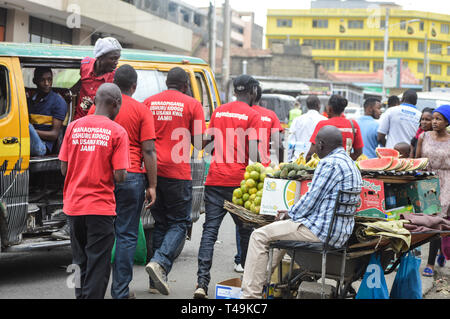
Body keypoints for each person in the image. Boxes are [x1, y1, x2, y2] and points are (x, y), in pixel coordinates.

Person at [241, 125, 362, 299]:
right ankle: (260, 285)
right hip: (338, 232)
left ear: (320, 144)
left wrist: (288, 214)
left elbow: (311, 200)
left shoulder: (329, 163)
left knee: (259, 236)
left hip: (320, 232)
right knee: (277, 234)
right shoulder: (349, 163)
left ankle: (250, 297)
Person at [88, 65, 157, 299]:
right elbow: (149, 150)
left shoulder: (96, 108)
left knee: (102, 235)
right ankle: (120, 292)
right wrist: (152, 185)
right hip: (132, 177)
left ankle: (93, 290)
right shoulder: (141, 110)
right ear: (134, 86)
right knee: (127, 235)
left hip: (103, 177)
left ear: (114, 82)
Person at [193, 74, 263, 299]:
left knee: (209, 232)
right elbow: (253, 153)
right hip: (238, 182)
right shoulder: (253, 114)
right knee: (245, 232)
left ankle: (201, 284)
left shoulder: (219, 111)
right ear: (252, 91)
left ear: (235, 90)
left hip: (214, 179)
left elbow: (208, 145)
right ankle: (246, 285)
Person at [58, 83, 129, 299]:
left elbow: (63, 168)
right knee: (98, 264)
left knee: (79, 261)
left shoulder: (73, 126)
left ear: (96, 101)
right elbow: (120, 176)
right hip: (100, 208)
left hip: (74, 207)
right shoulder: (117, 131)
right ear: (115, 104)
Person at [143, 67, 206, 296]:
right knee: (180, 223)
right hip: (177, 173)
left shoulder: (149, 102)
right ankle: (160, 262)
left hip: (152, 172)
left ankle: (155, 281)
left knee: (160, 223)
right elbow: (199, 143)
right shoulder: (192, 104)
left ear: (167, 83)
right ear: (185, 85)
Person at [416, 104, 450, 277]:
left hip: (447, 183)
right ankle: (438, 253)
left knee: (437, 222)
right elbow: (416, 160)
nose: (434, 122)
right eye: (433, 118)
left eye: (439, 119)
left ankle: (430, 263)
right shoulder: (424, 137)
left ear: (447, 122)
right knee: (426, 223)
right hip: (427, 182)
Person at [72, 37, 122, 120]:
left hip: (98, 125)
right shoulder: (85, 65)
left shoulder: (115, 78)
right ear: (99, 57)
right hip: (78, 120)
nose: (116, 62)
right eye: (112, 58)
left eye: (117, 58)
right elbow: (81, 84)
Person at [307, 94, 364, 161]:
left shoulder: (322, 125)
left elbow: (312, 151)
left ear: (329, 108)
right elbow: (358, 152)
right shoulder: (353, 125)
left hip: (325, 167)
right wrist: (344, 159)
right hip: (345, 166)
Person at [28, 67, 67, 156]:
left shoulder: (58, 102)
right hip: (27, 141)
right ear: (35, 81)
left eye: (49, 80)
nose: (47, 83)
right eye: (42, 80)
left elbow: (54, 134)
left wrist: (29, 130)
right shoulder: (30, 100)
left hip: (43, 147)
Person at [252, 85, 284, 166]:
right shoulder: (270, 115)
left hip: (239, 167)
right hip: (263, 167)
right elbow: (278, 145)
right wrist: (281, 166)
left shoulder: (239, 113)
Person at [288, 95, 327, 162]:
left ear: (307, 106)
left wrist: (289, 160)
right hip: (317, 162)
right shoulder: (324, 120)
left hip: (298, 160)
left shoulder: (297, 120)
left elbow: (291, 142)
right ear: (319, 105)